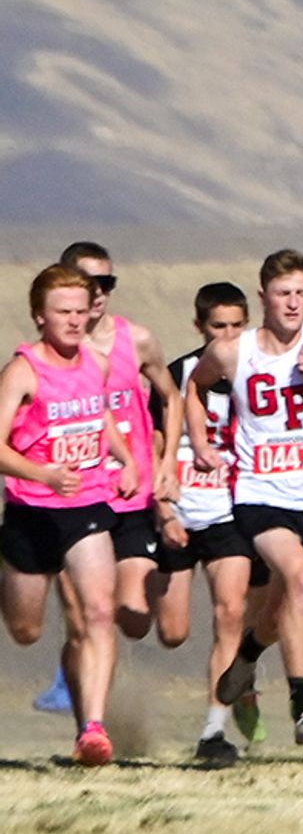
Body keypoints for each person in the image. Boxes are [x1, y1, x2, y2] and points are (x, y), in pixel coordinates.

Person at [186, 249, 303, 753]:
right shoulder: (234, 351)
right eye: (282, 293)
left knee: (280, 606)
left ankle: (247, 656)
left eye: (301, 294)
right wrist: (202, 442)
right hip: (258, 493)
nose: (293, 304)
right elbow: (195, 386)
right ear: (263, 296)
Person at [2, 262, 147, 762]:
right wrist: (42, 474)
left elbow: (99, 412)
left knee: (100, 612)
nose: (73, 321)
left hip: (86, 502)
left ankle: (93, 729)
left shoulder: (95, 362)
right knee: (26, 631)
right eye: (62, 312)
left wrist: (126, 458)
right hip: (32, 511)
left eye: (81, 312)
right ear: (39, 315)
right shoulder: (23, 370)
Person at [51, 243, 165, 673]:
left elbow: (169, 399)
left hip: (130, 493)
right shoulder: (43, 358)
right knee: (84, 618)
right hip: (74, 497)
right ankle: (91, 721)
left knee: (134, 620)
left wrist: (163, 464)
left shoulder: (135, 340)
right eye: (89, 283)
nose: (98, 293)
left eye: (107, 283)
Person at [163, 284, 262, 766]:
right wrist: (162, 507)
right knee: (172, 630)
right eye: (217, 326)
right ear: (200, 327)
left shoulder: (258, 373)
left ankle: (213, 731)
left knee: (229, 614)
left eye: (236, 325)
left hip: (230, 512)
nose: (227, 335)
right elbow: (155, 444)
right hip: (181, 511)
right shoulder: (178, 376)